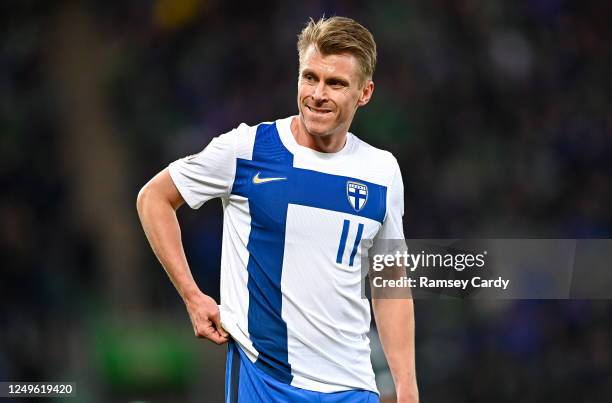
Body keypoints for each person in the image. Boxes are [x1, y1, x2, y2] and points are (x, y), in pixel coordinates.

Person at [137, 16, 418, 403]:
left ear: (365, 93)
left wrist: (406, 387)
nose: (318, 93)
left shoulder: (382, 171)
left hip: (353, 388)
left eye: (335, 83)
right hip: (265, 380)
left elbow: (391, 283)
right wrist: (192, 295)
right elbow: (154, 198)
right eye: (310, 77)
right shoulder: (247, 149)